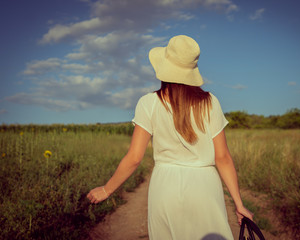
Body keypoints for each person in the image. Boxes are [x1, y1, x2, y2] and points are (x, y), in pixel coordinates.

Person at [87, 35, 253, 239]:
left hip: (165, 187)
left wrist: (106, 190)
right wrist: (239, 204)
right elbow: (223, 158)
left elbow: (134, 157)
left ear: (164, 67)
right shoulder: (210, 102)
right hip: (205, 187)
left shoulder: (148, 103)